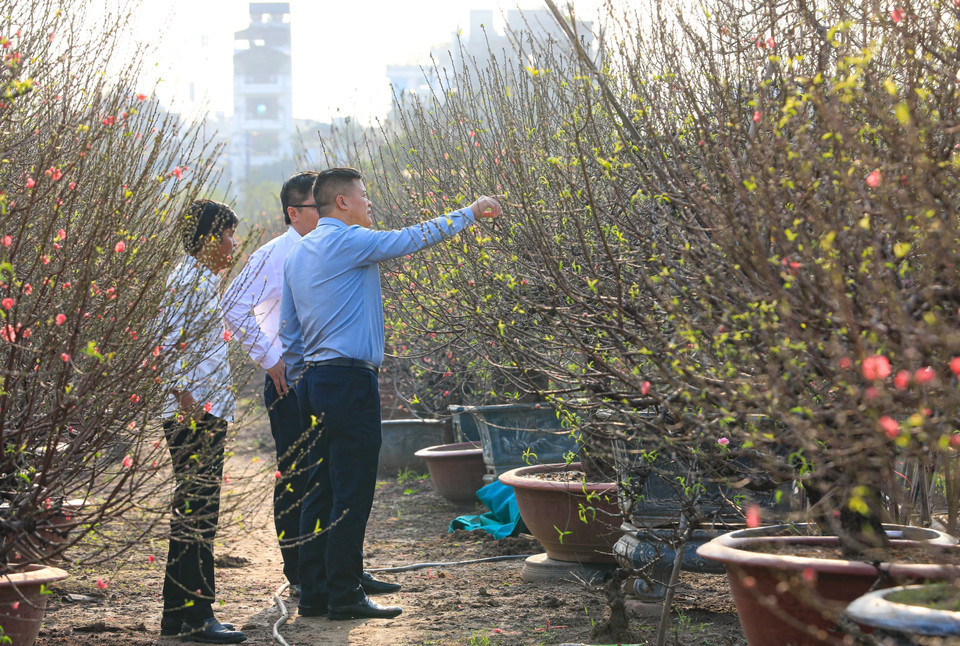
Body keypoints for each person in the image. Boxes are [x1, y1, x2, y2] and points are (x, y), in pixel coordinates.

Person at [279, 167, 502, 620]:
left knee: (319, 489)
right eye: (363, 194)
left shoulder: (297, 255)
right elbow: (412, 237)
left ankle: (315, 593)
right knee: (353, 489)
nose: (368, 202)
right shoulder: (348, 241)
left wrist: (305, 378)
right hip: (348, 381)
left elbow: (290, 333)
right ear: (341, 202)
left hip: (315, 383)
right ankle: (345, 594)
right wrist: (471, 212)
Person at [222, 171, 318, 596]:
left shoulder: (330, 248)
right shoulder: (273, 255)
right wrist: (271, 358)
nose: (331, 209)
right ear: (293, 213)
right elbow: (234, 306)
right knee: (296, 474)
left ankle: (332, 566)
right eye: (320, 205)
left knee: (331, 473)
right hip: (289, 382)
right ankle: (298, 572)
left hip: (328, 378)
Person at [158, 199, 247, 644]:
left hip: (203, 410)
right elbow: (164, 343)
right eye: (230, 234)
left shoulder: (200, 280)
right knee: (198, 514)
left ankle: (177, 616)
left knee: (192, 513)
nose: (233, 244)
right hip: (194, 413)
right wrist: (188, 400)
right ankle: (197, 616)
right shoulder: (186, 281)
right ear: (211, 238)